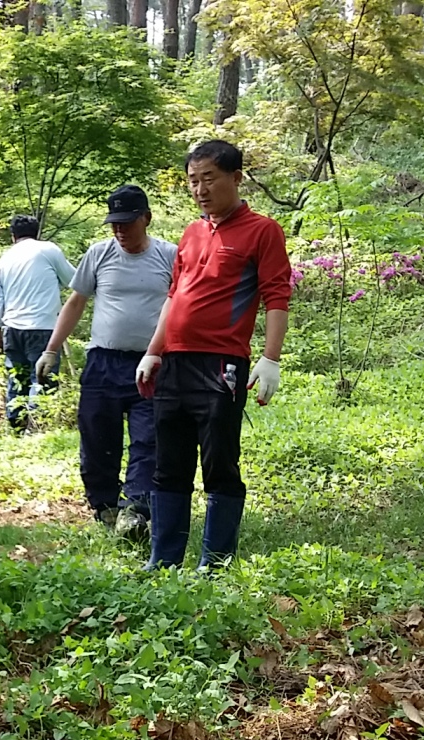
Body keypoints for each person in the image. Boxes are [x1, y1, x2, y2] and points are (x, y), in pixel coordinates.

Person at [136, 140, 291, 570]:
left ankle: (216, 561)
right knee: (169, 463)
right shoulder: (191, 231)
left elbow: (277, 295)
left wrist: (270, 358)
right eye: (193, 180)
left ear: (236, 178)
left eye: (209, 179)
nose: (200, 189)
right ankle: (163, 560)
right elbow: (174, 295)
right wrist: (154, 352)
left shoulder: (262, 230)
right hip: (174, 362)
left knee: (219, 461)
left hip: (221, 363)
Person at [39, 186, 176, 537]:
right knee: (97, 435)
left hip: (152, 362)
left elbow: (182, 305)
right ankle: (105, 505)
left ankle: (138, 509)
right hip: (103, 362)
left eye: (127, 223)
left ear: (145, 218)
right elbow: (76, 302)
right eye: (114, 224)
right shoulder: (99, 253)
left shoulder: (169, 255)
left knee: (149, 438)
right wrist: (52, 348)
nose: (120, 231)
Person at [0, 214, 76, 431]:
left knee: (17, 379)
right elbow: (74, 280)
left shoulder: (4, 259)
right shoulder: (48, 250)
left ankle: (16, 427)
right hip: (43, 327)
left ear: (12, 236)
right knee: (42, 378)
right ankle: (37, 429)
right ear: (37, 232)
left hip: (12, 330)